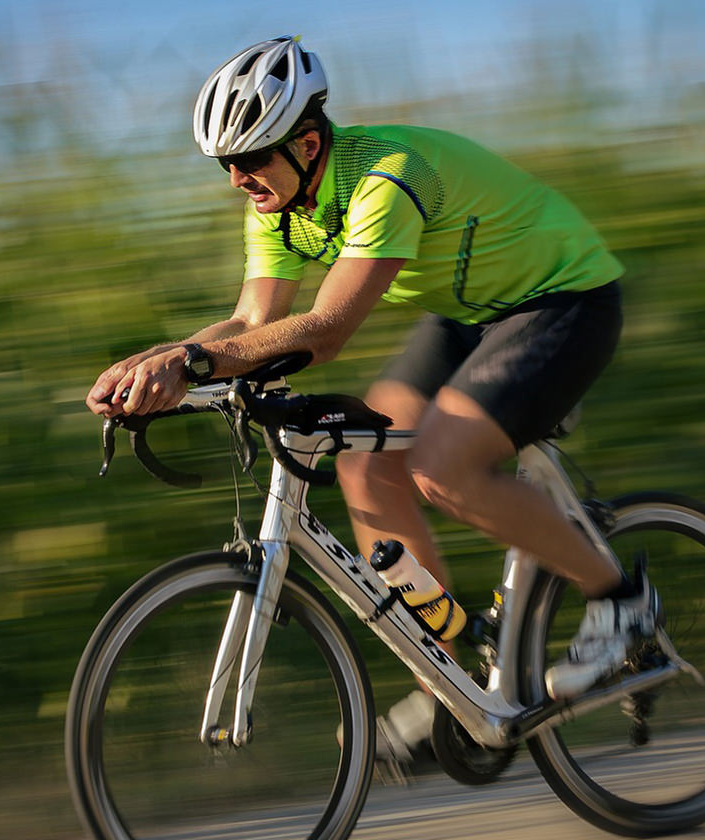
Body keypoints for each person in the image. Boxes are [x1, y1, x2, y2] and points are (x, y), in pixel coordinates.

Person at [85, 35, 656, 768]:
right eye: (225, 164)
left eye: (251, 159)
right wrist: (155, 363)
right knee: (363, 463)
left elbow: (325, 330)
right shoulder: (279, 204)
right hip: (471, 313)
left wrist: (195, 363)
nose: (236, 179)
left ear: (310, 143)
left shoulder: (387, 175)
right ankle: (449, 682)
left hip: (564, 300)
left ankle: (621, 600)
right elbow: (253, 324)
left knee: (442, 468)